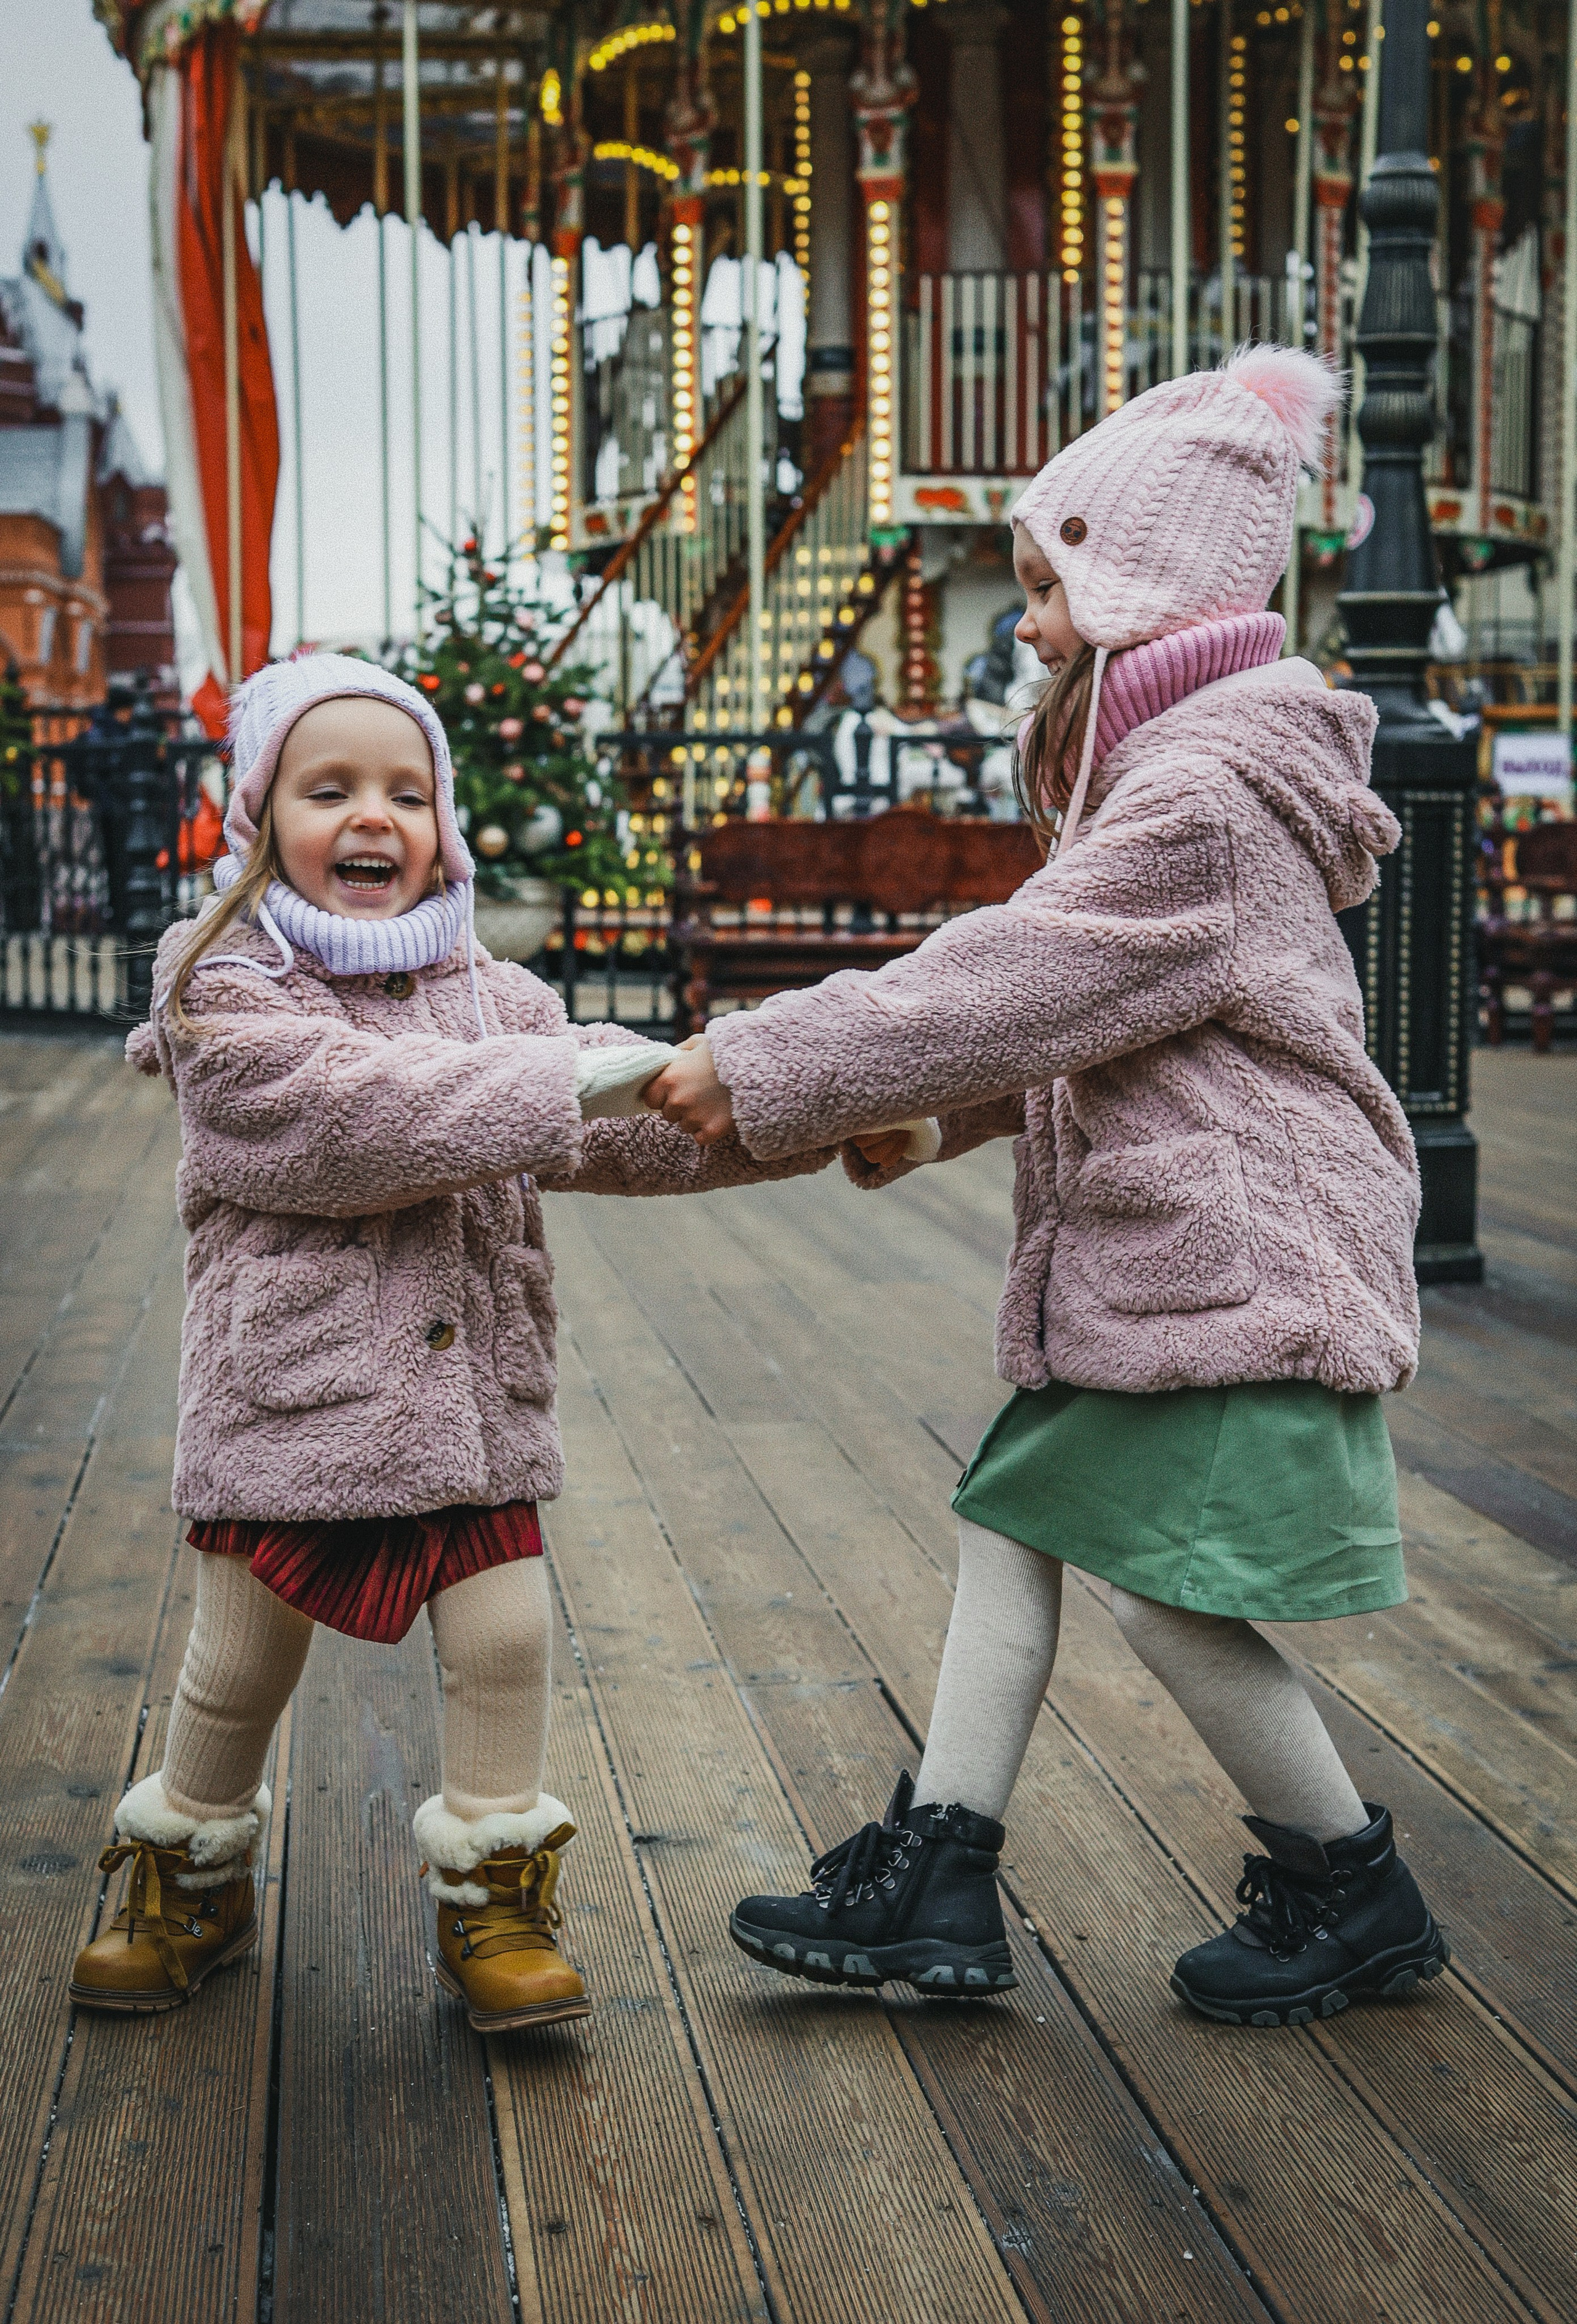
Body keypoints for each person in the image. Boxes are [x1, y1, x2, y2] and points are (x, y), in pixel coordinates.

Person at [646, 346, 1451, 2030]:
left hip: (1238, 1263)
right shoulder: (1179, 785)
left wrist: (774, 1060)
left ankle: (1348, 1879)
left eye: (1050, 588)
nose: (1026, 623)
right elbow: (1088, 1020)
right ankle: (946, 1865)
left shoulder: (1201, 801)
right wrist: (938, 1131)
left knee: (1166, 1595)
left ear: (1144, 591)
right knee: (1014, 1524)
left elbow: (1000, 981)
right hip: (1182, 1254)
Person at [67, 653, 840, 2034]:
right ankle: (189, 1864)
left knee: (502, 1641)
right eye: (330, 789)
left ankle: (493, 1892)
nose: (375, 817)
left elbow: (626, 1128)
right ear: (259, 822)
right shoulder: (222, 991)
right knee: (239, 1663)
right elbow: (346, 1123)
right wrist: (567, 1077)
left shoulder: (498, 997)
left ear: (443, 827)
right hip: (293, 1398)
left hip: (472, 1400)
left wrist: (789, 1116)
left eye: (406, 792)